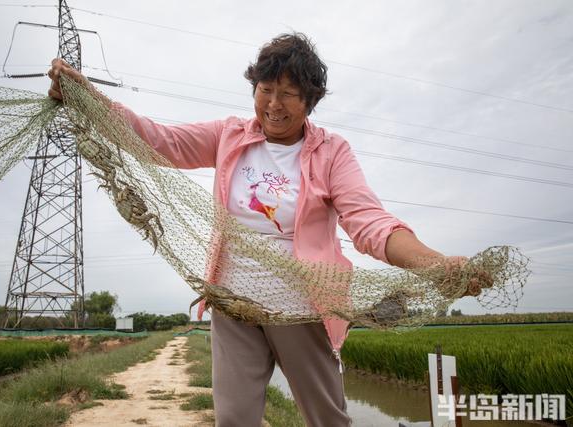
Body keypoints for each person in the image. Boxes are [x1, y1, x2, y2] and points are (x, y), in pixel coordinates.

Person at [48, 33, 488, 427]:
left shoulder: (331, 152)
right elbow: (157, 141)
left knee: (327, 418)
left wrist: (434, 265)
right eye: (265, 90)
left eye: (289, 94)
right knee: (235, 419)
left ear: (309, 101)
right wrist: (89, 98)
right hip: (234, 304)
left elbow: (369, 222)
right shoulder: (229, 135)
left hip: (301, 308)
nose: (273, 105)